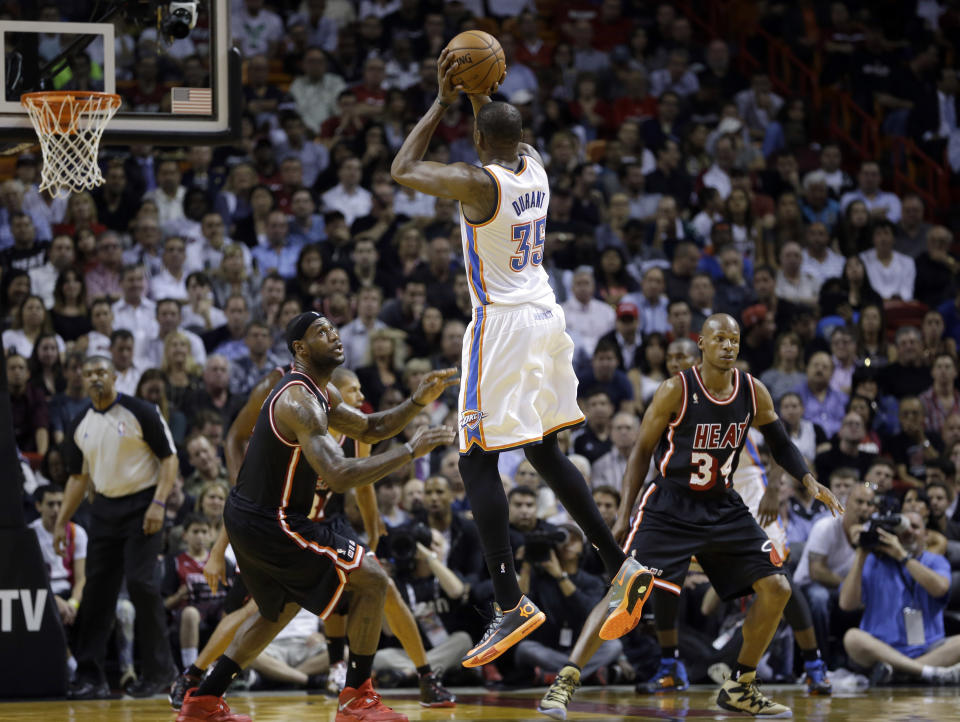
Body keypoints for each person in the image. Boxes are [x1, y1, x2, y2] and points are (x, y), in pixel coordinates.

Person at [390, 49, 652, 667]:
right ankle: (621, 566)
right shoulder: (534, 166)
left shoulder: (480, 182)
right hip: (547, 315)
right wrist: (480, 90)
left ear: (478, 139)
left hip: (502, 326)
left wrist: (441, 97)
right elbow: (499, 127)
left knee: (476, 458)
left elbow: (403, 167)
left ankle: (510, 603)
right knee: (542, 451)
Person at [538, 314, 843, 719]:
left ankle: (742, 686)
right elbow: (641, 452)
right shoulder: (674, 390)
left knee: (777, 587)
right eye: (719, 338)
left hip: (723, 506)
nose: (729, 346)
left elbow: (780, 442)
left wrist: (807, 479)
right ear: (702, 343)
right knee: (626, 590)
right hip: (670, 505)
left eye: (734, 340)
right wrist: (625, 512)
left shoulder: (754, 391)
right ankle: (566, 681)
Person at [175, 312, 456, 722]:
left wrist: (415, 402)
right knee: (374, 579)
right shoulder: (297, 400)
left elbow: (369, 428)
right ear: (300, 349)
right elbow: (339, 475)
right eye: (322, 332)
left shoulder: (322, 393)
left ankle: (203, 700)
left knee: (279, 610)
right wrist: (410, 452)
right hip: (274, 521)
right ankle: (357, 697)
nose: (335, 335)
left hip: (253, 518)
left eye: (335, 328)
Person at [635, 336, 832, 697]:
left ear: (698, 354)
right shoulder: (672, 396)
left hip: (752, 492)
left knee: (777, 575)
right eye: (671, 357)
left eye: (684, 355)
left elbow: (777, 440)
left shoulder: (732, 387)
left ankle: (814, 663)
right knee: (665, 576)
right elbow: (662, 462)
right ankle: (669, 664)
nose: (678, 361)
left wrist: (774, 487)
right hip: (699, 501)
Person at [54, 355, 179, 699]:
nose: (95, 378)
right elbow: (78, 478)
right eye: (89, 372)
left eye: (101, 372)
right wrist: (61, 523)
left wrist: (159, 502)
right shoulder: (80, 422)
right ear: (81, 377)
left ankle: (159, 672)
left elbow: (169, 458)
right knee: (96, 591)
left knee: (141, 583)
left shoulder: (141, 410)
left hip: (143, 505)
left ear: (114, 377)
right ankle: (90, 675)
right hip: (105, 509)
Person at [840, 511, 960, 685]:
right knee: (852, 638)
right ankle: (923, 673)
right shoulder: (872, 561)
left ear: (926, 535)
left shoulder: (935, 561)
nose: (908, 531)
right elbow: (846, 604)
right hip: (881, 651)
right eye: (903, 526)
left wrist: (903, 557)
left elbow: (940, 589)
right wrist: (861, 553)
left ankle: (898, 674)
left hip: (928, 649)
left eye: (915, 527)